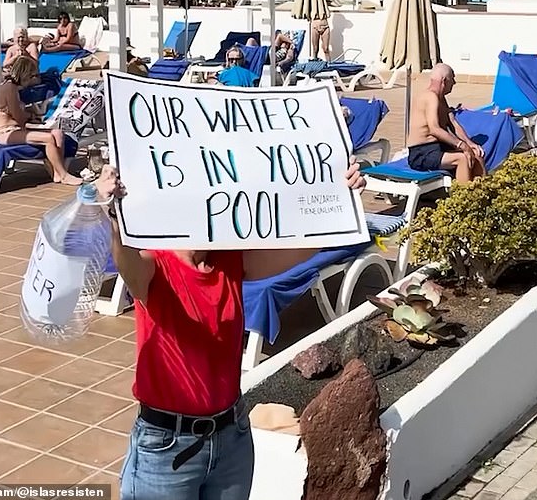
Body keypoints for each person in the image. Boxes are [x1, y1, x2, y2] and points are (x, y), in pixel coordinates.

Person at [93, 159, 367, 500]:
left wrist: (342, 198)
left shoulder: (231, 259)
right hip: (166, 449)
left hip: (231, 439)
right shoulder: (154, 265)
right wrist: (115, 218)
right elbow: (128, 263)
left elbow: (306, 248)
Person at [0, 56, 83, 186]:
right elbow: (18, 116)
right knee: (48, 138)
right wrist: (32, 116)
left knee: (58, 133)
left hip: (17, 129)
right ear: (26, 74)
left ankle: (57, 173)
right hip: (5, 132)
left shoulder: (16, 89)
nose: (34, 79)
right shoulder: (10, 88)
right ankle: (64, 175)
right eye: (33, 75)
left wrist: (32, 114)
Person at [407, 63, 485, 184]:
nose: (454, 83)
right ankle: (464, 199)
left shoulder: (440, 98)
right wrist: (461, 145)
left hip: (437, 148)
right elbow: (434, 129)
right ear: (444, 80)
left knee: (476, 154)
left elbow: (453, 123)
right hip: (421, 153)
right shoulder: (430, 97)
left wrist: (469, 144)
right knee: (462, 158)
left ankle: (482, 192)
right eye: (452, 79)